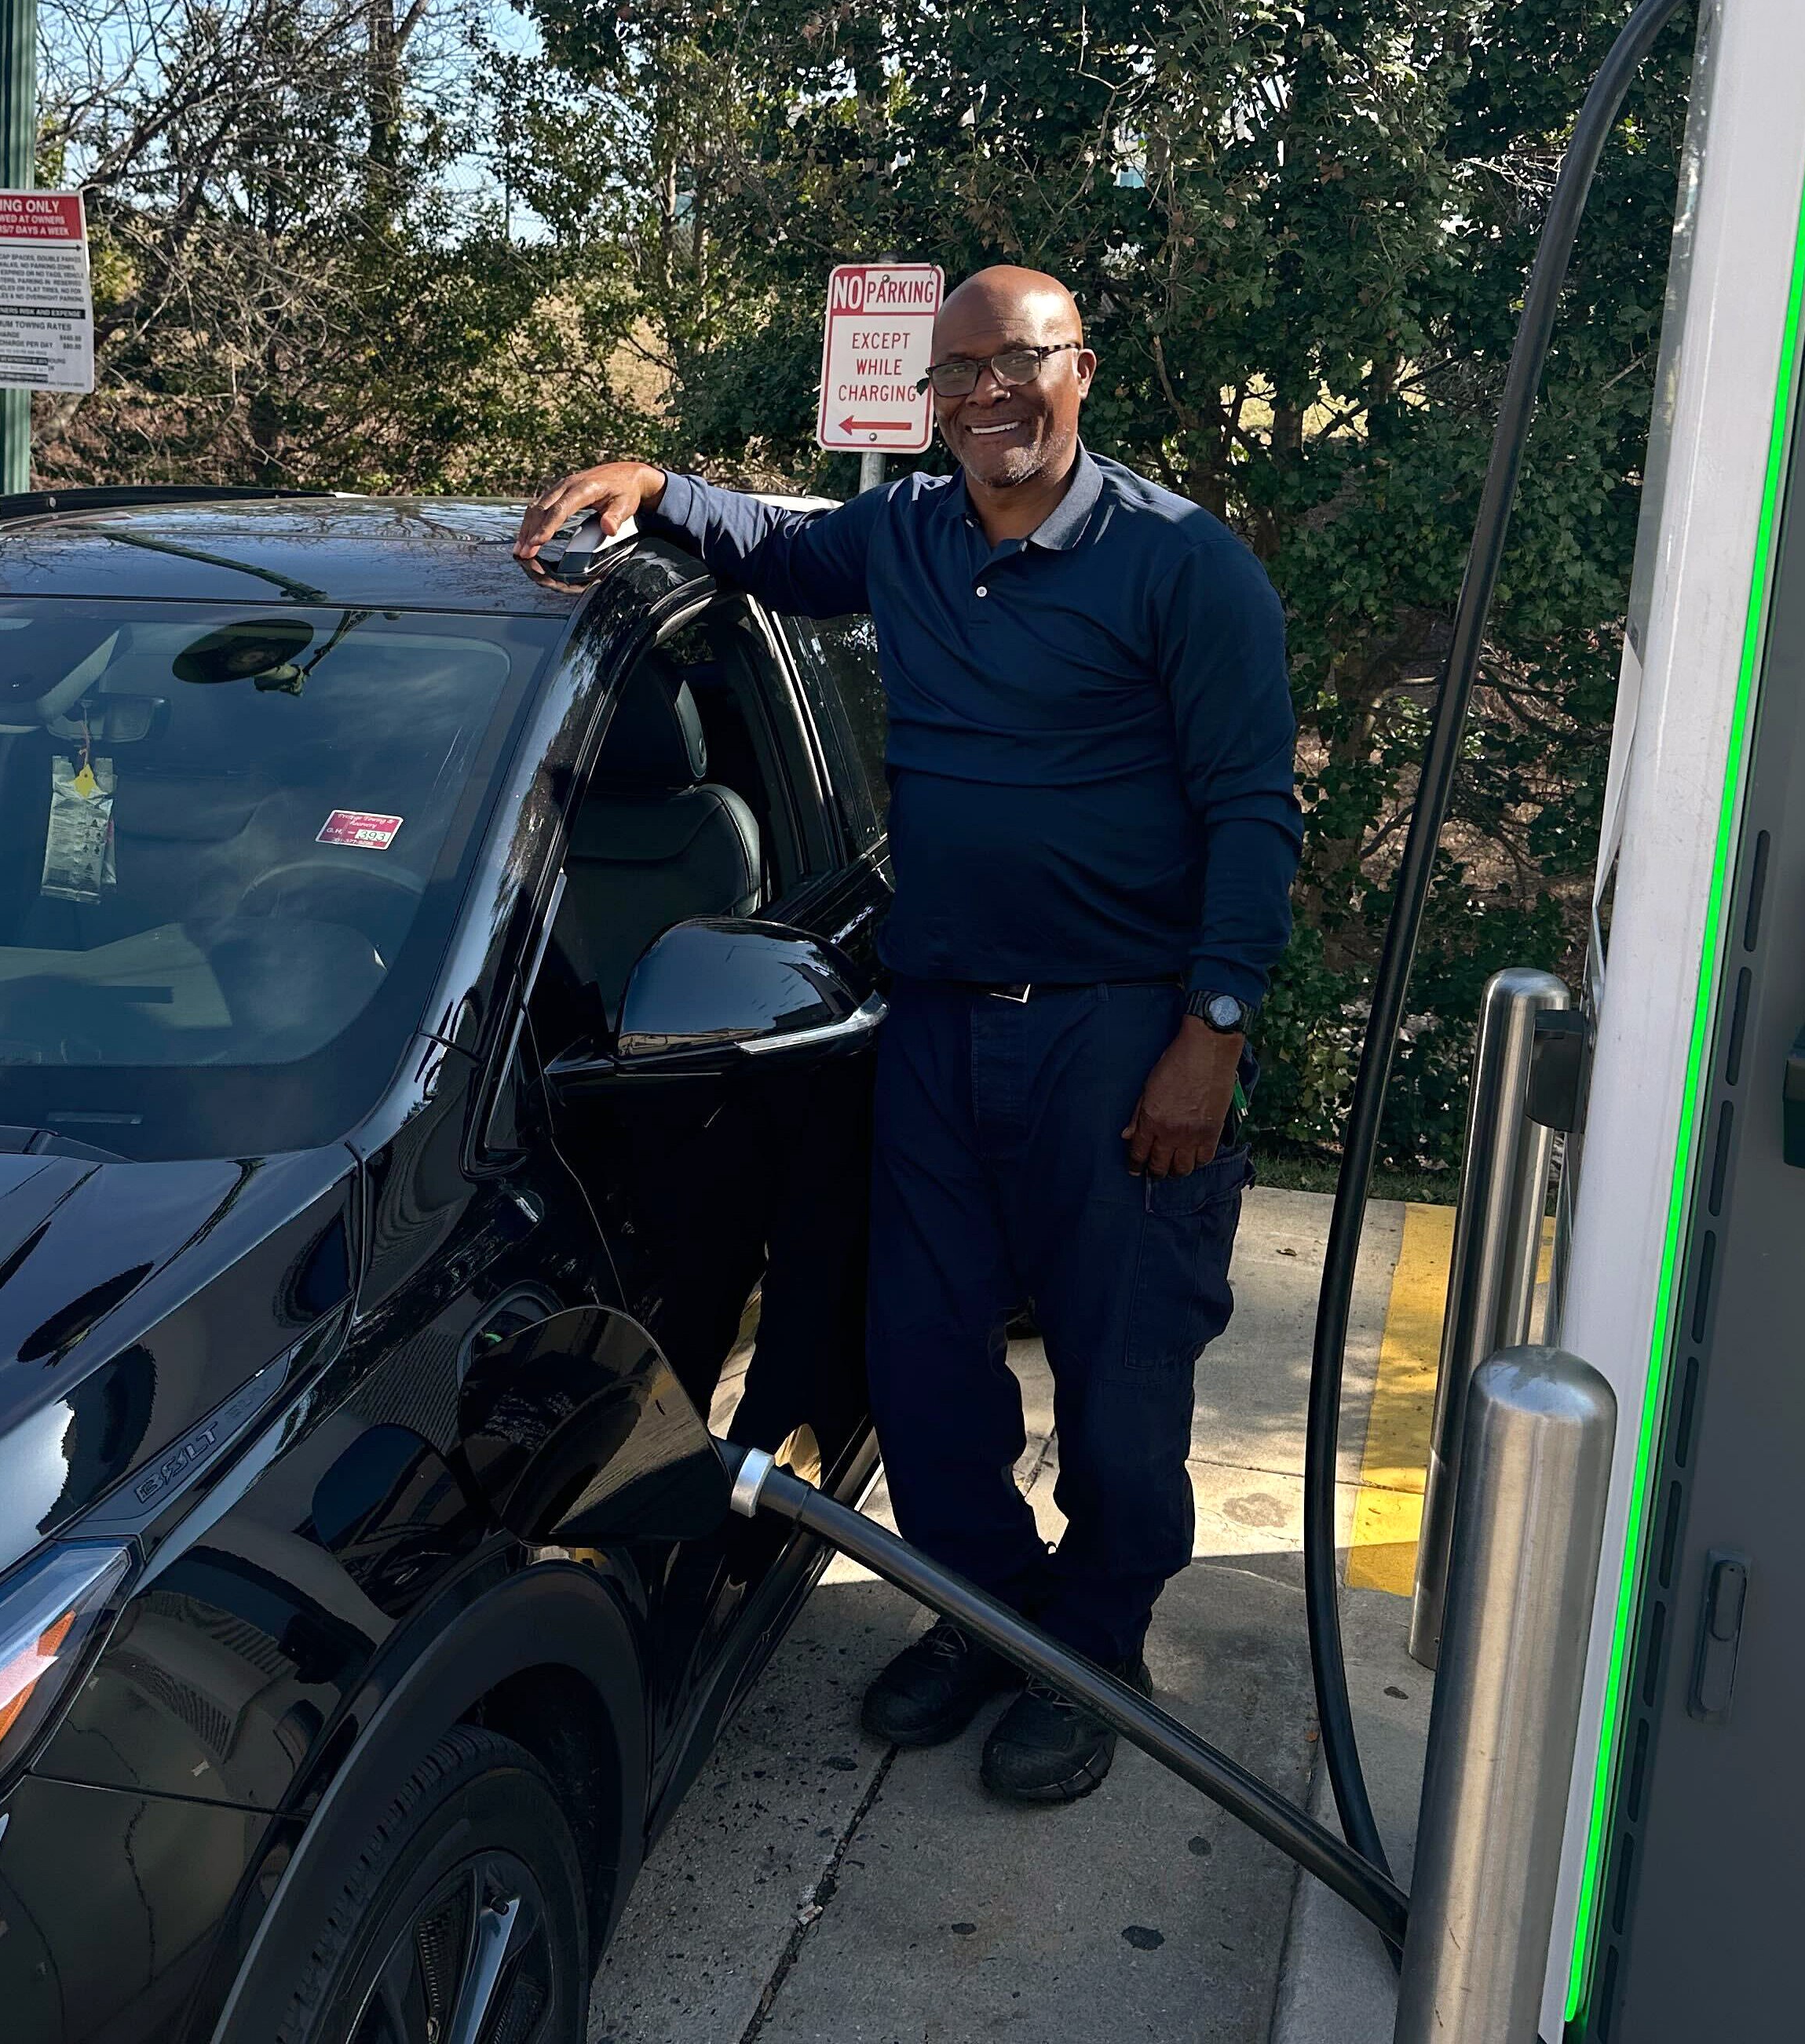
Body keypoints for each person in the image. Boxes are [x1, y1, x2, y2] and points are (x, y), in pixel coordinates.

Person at [514, 265, 1300, 1804]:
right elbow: (780, 545)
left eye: (1017, 363)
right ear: (927, 398)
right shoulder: (916, 537)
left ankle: (1098, 1645)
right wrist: (654, 483)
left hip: (1119, 1033)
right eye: (957, 375)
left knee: (1122, 1389)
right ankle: (982, 1620)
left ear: (1080, 370)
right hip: (936, 1027)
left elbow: (1254, 816)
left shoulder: (1183, 567)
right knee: (929, 1371)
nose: (986, 397)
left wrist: (1210, 1031)